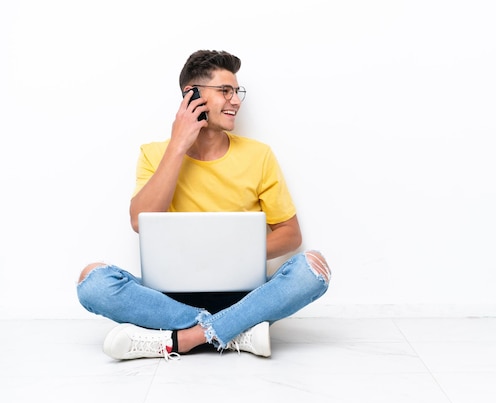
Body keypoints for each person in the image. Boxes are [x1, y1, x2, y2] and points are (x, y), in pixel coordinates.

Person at [76, 50, 331, 360]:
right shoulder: (154, 154)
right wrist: (178, 146)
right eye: (225, 91)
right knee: (92, 283)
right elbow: (140, 222)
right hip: (169, 298)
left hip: (244, 295)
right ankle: (236, 331)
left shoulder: (259, 155)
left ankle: (183, 339)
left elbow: (290, 234)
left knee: (313, 269)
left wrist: (229, 254)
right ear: (192, 95)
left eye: (237, 92)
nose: (236, 100)